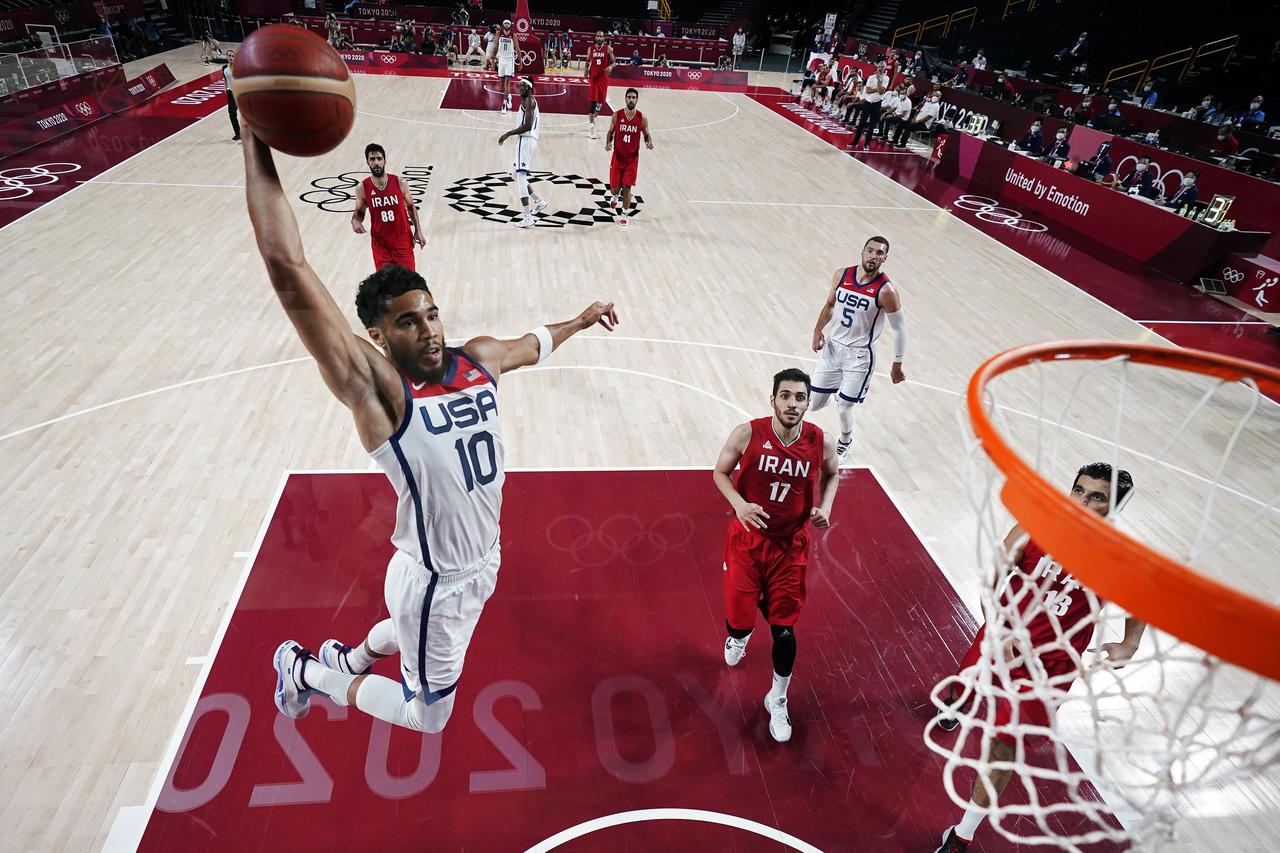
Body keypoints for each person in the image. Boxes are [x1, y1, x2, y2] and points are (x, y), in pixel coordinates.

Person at [240, 129, 620, 737]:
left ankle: (351, 657)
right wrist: (257, 139)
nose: (430, 329)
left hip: (482, 562)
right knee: (429, 716)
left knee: (405, 630)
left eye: (432, 312)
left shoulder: (479, 360)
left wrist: (581, 317)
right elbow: (287, 265)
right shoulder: (382, 393)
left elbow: (534, 344)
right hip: (434, 580)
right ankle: (306, 671)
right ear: (381, 339)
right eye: (409, 323)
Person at [932, 464, 1146, 852]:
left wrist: (1129, 645)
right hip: (1000, 638)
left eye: (1097, 497)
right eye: (1078, 490)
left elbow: (1141, 603)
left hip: (1050, 670)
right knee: (963, 691)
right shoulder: (1035, 528)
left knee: (1004, 748)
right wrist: (998, 627)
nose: (1082, 500)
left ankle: (962, 835)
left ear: (1114, 508)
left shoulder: (1121, 559)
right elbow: (990, 577)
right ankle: (956, 701)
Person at [713, 368, 840, 743]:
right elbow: (721, 472)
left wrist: (826, 507)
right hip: (747, 543)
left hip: (790, 547)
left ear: (807, 402)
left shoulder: (821, 441)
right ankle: (738, 637)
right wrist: (738, 503)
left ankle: (778, 698)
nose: (792, 403)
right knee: (740, 622)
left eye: (800, 397)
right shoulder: (748, 433)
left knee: (784, 629)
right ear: (773, 400)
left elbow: (833, 475)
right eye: (785, 396)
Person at [808, 236, 907, 460]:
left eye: (879, 253)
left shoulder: (887, 291)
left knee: (844, 407)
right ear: (862, 251)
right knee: (813, 404)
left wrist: (897, 363)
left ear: (885, 258)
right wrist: (817, 330)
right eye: (870, 251)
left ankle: (844, 441)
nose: (874, 256)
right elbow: (830, 304)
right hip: (833, 349)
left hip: (859, 357)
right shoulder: (841, 274)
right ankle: (836, 391)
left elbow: (900, 329)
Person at [351, 144, 425, 270]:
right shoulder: (362, 188)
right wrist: (355, 221)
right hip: (381, 246)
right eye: (372, 159)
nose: (376, 162)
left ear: (385, 161)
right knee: (385, 286)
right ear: (367, 163)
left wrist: (418, 230)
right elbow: (359, 212)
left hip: (402, 243)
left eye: (379, 159)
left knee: (408, 285)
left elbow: (411, 207)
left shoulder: (400, 182)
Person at [498, 78, 545, 229]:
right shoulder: (529, 101)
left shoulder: (529, 102)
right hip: (527, 142)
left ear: (530, 88)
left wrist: (508, 134)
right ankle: (538, 201)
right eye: (520, 85)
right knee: (515, 175)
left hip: (526, 141)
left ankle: (527, 217)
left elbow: (528, 125)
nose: (520, 87)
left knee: (520, 177)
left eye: (524, 85)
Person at [605, 87, 653, 227]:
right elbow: (610, 132)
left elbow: (646, 133)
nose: (631, 99)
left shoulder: (642, 118)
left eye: (634, 97)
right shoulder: (617, 115)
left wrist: (648, 142)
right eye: (629, 97)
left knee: (627, 187)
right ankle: (614, 196)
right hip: (618, 156)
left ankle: (624, 214)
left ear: (637, 99)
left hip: (632, 159)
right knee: (615, 188)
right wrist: (608, 143)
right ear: (625, 98)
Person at [849, 61, 888, 150]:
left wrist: (878, 80)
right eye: (880, 66)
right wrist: (878, 89)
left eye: (882, 67)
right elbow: (868, 91)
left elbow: (881, 91)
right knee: (861, 123)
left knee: (871, 125)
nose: (881, 68)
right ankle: (855, 141)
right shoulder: (870, 77)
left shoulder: (886, 78)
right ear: (877, 67)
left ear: (885, 69)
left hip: (877, 104)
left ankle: (866, 144)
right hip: (867, 102)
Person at [585, 31, 615, 140]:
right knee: (593, 101)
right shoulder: (591, 48)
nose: (599, 37)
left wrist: (611, 67)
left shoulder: (608, 49)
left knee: (600, 104)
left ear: (603, 38)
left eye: (601, 36)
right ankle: (591, 127)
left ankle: (593, 118)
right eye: (597, 36)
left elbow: (613, 62)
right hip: (593, 79)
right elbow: (588, 61)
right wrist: (586, 71)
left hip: (603, 80)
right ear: (595, 37)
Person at [222, 50, 240, 142]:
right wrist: (226, 88)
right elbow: (225, 78)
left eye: (233, 56)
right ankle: (238, 134)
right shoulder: (224, 68)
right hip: (231, 94)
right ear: (227, 57)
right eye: (229, 56)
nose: (231, 58)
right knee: (232, 114)